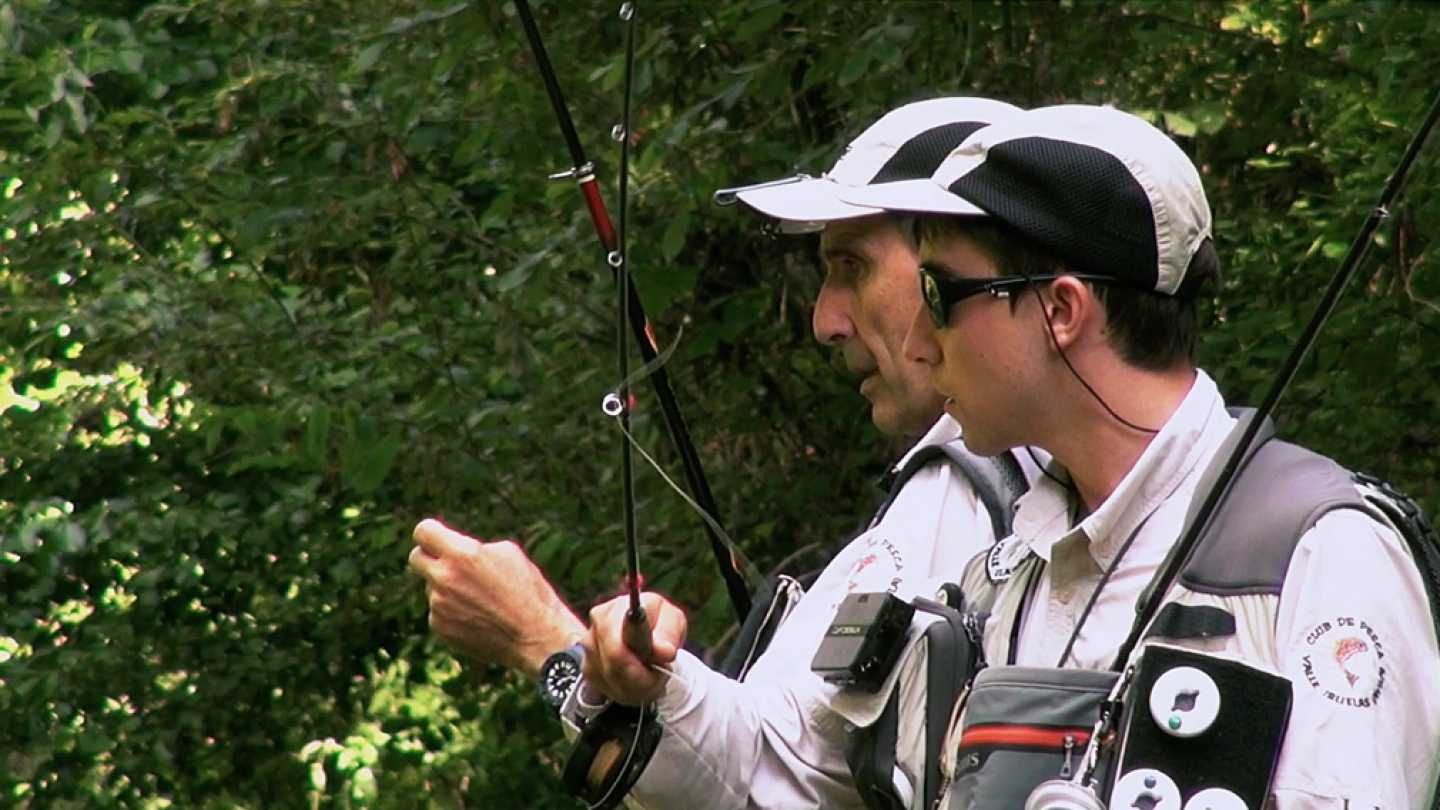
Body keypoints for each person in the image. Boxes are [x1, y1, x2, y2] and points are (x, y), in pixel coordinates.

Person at [413, 97, 1033, 809]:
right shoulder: (997, 481)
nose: (825, 321)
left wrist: (541, 638)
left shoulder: (978, 490)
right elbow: (788, 759)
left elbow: (767, 787)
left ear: (955, 267)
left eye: (854, 267)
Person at [823, 103, 1440, 808]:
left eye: (940, 295)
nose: (916, 345)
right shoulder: (1006, 573)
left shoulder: (1319, 554)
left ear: (1061, 311)